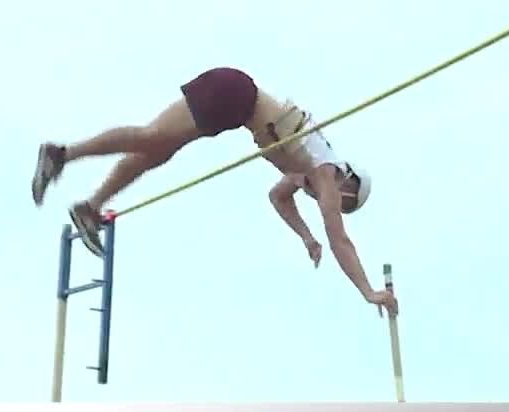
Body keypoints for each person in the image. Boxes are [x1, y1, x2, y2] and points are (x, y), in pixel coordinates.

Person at [31, 66, 398, 316]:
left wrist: (306, 238)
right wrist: (367, 291)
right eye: (344, 205)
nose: (333, 207)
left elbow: (279, 197)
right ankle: (63, 156)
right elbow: (341, 240)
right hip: (236, 96)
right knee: (152, 141)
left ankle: (88, 202)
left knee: (154, 150)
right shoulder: (326, 172)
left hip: (234, 99)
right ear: (349, 187)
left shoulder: (307, 172)